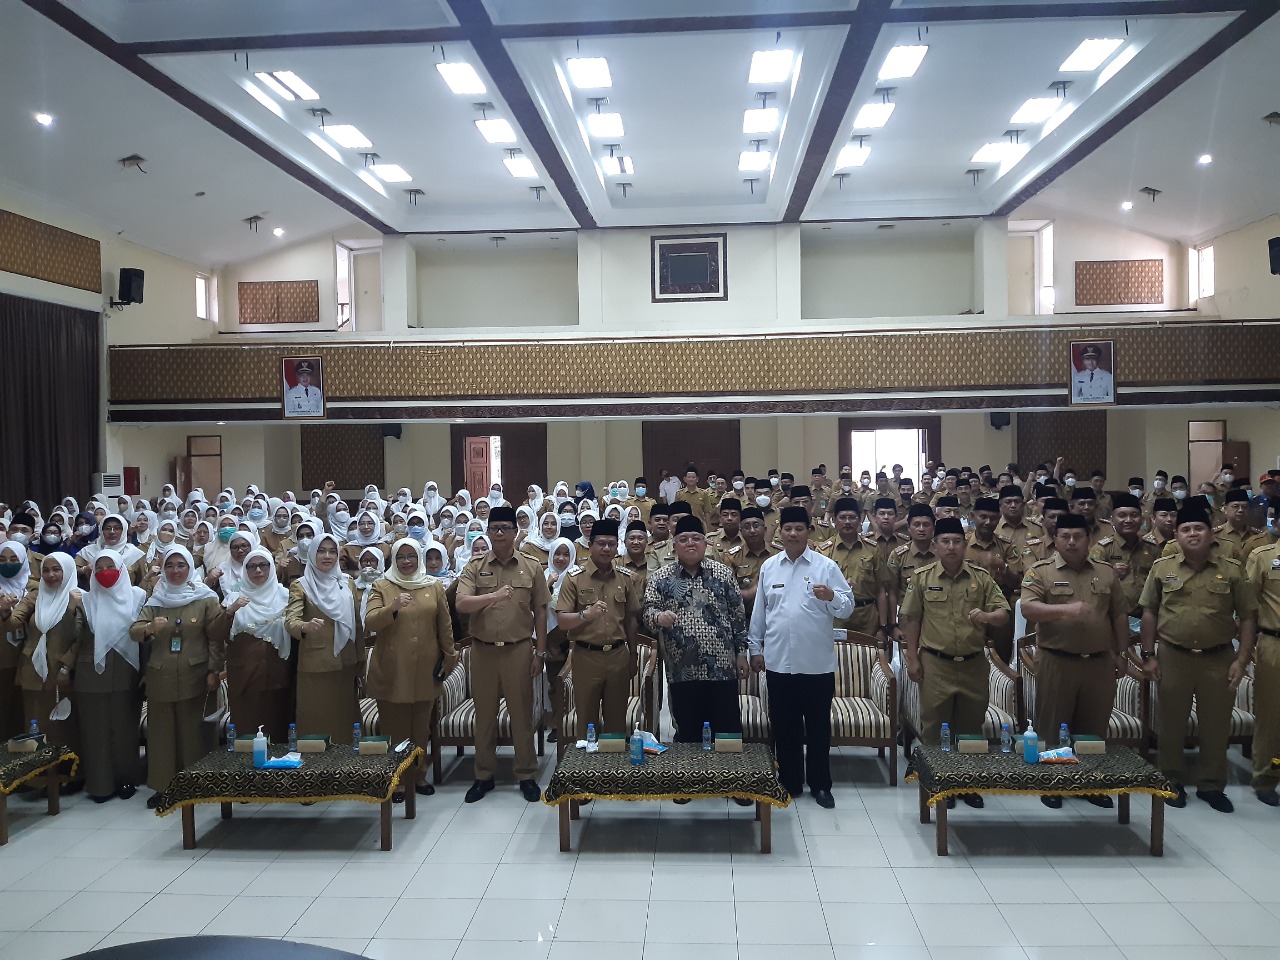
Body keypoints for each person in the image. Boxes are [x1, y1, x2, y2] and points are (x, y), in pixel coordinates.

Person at [1139, 502, 1257, 812]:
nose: (1192, 534)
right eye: (1186, 529)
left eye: (1198, 528)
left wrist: (1241, 660)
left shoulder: (1231, 570)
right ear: (1176, 535)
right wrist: (1148, 655)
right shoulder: (1162, 568)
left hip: (1218, 658)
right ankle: (1171, 781)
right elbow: (1149, 612)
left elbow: (1247, 617)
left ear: (1210, 534)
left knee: (1216, 725)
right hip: (1172, 656)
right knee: (1171, 724)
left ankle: (1211, 785)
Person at [747, 505, 853, 808]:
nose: (793, 534)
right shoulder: (769, 567)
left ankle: (821, 784)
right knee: (784, 726)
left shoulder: (826, 567)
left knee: (819, 727)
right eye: (788, 529)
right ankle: (790, 781)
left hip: (816, 665)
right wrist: (755, 648)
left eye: (799, 529)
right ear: (780, 531)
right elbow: (760, 613)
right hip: (779, 663)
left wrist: (831, 597)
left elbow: (847, 607)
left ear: (809, 531)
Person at [900, 517, 1009, 808]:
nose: (951, 547)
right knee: (935, 726)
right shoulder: (922, 578)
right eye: (945, 541)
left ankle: (966, 783)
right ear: (935, 546)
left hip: (973, 664)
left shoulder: (981, 578)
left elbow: (1003, 613)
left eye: (957, 541)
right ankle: (937, 784)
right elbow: (912, 619)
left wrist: (986, 617)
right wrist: (913, 658)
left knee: (971, 726)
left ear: (965, 545)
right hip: (936, 662)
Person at [1021, 514, 1129, 809]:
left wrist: (1121, 652)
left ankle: (1088, 783)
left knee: (1093, 725)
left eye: (1077, 536)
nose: (1071, 542)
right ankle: (1052, 782)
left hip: (1099, 661)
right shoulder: (1040, 571)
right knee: (1053, 724)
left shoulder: (1106, 573)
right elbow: (1028, 609)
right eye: (1064, 536)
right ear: (1055, 540)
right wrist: (1066, 611)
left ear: (1089, 540)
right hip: (1058, 660)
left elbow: (1119, 614)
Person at [642, 515, 749, 794]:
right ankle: (687, 784)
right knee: (687, 729)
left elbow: (738, 617)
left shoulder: (723, 573)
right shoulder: (661, 578)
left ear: (706, 543)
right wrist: (658, 617)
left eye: (696, 538)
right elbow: (647, 614)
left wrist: (741, 654)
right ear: (674, 545)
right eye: (683, 539)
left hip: (722, 668)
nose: (690, 543)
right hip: (682, 669)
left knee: (726, 728)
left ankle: (734, 784)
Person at [454, 506, 550, 804]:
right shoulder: (475, 566)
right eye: (493, 528)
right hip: (482, 652)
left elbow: (542, 611)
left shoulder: (532, 567)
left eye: (504, 528)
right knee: (484, 716)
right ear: (488, 532)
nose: (498, 533)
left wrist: (541, 652)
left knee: (521, 715)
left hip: (519, 650)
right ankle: (483, 775)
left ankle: (526, 774)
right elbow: (462, 603)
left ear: (514, 531)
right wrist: (493, 596)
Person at [130, 546, 226, 807]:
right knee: (161, 734)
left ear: (190, 568)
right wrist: (150, 627)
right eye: (170, 566)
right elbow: (135, 630)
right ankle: (164, 786)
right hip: (160, 675)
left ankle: (196, 784)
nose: (175, 571)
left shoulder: (206, 598)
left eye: (181, 565)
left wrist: (213, 670)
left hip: (195, 675)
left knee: (193, 733)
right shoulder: (156, 599)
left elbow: (215, 639)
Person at [364, 538, 457, 797]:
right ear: (393, 559)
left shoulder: (433, 585)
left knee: (420, 727)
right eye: (401, 556)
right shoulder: (382, 585)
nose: (406, 561)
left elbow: (445, 625)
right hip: (394, 669)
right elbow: (371, 621)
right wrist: (392, 608)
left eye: (411, 556)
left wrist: (450, 656)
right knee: (395, 728)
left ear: (419, 558)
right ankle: (398, 779)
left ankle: (418, 776)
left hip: (427, 668)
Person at [555, 518, 642, 736]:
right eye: (601, 543)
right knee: (587, 721)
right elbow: (563, 620)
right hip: (586, 656)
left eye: (611, 544)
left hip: (618, 656)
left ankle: (613, 768)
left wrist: (633, 656)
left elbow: (631, 620)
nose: (606, 548)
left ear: (617, 546)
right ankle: (587, 768)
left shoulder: (625, 578)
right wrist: (586, 615)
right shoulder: (574, 579)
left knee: (616, 722)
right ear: (591, 545)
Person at [76, 549, 145, 802]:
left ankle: (127, 779)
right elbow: (75, 637)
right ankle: (100, 784)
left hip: (127, 671)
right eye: (100, 567)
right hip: (90, 672)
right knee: (95, 731)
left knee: (125, 729)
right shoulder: (84, 600)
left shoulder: (138, 597)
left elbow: (145, 639)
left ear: (123, 569)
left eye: (111, 566)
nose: (105, 572)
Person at [285, 534, 364, 745]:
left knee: (344, 720)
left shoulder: (347, 583)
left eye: (332, 551)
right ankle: (315, 772)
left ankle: (346, 770)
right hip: (315, 665)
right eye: (321, 551)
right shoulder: (301, 585)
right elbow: (290, 620)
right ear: (311, 554)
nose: (327, 556)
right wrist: (304, 626)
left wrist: (360, 660)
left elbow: (357, 623)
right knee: (316, 721)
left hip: (345, 663)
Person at [224, 548, 292, 744]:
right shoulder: (233, 598)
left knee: (278, 730)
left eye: (263, 565)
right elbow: (218, 633)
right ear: (245, 570)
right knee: (247, 732)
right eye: (252, 566)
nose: (258, 570)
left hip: (278, 675)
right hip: (244, 677)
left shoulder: (285, 596)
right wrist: (230, 611)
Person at [1244, 535, 1280, 806]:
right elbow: (1248, 606)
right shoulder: (1263, 556)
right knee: (1272, 716)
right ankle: (1268, 778)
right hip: (1274, 642)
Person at [0, 542, 35, 740]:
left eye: (14, 560)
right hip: (3, 659)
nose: (8, 564)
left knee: (27, 713)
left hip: (28, 658)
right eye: (2, 560)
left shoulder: (36, 588)